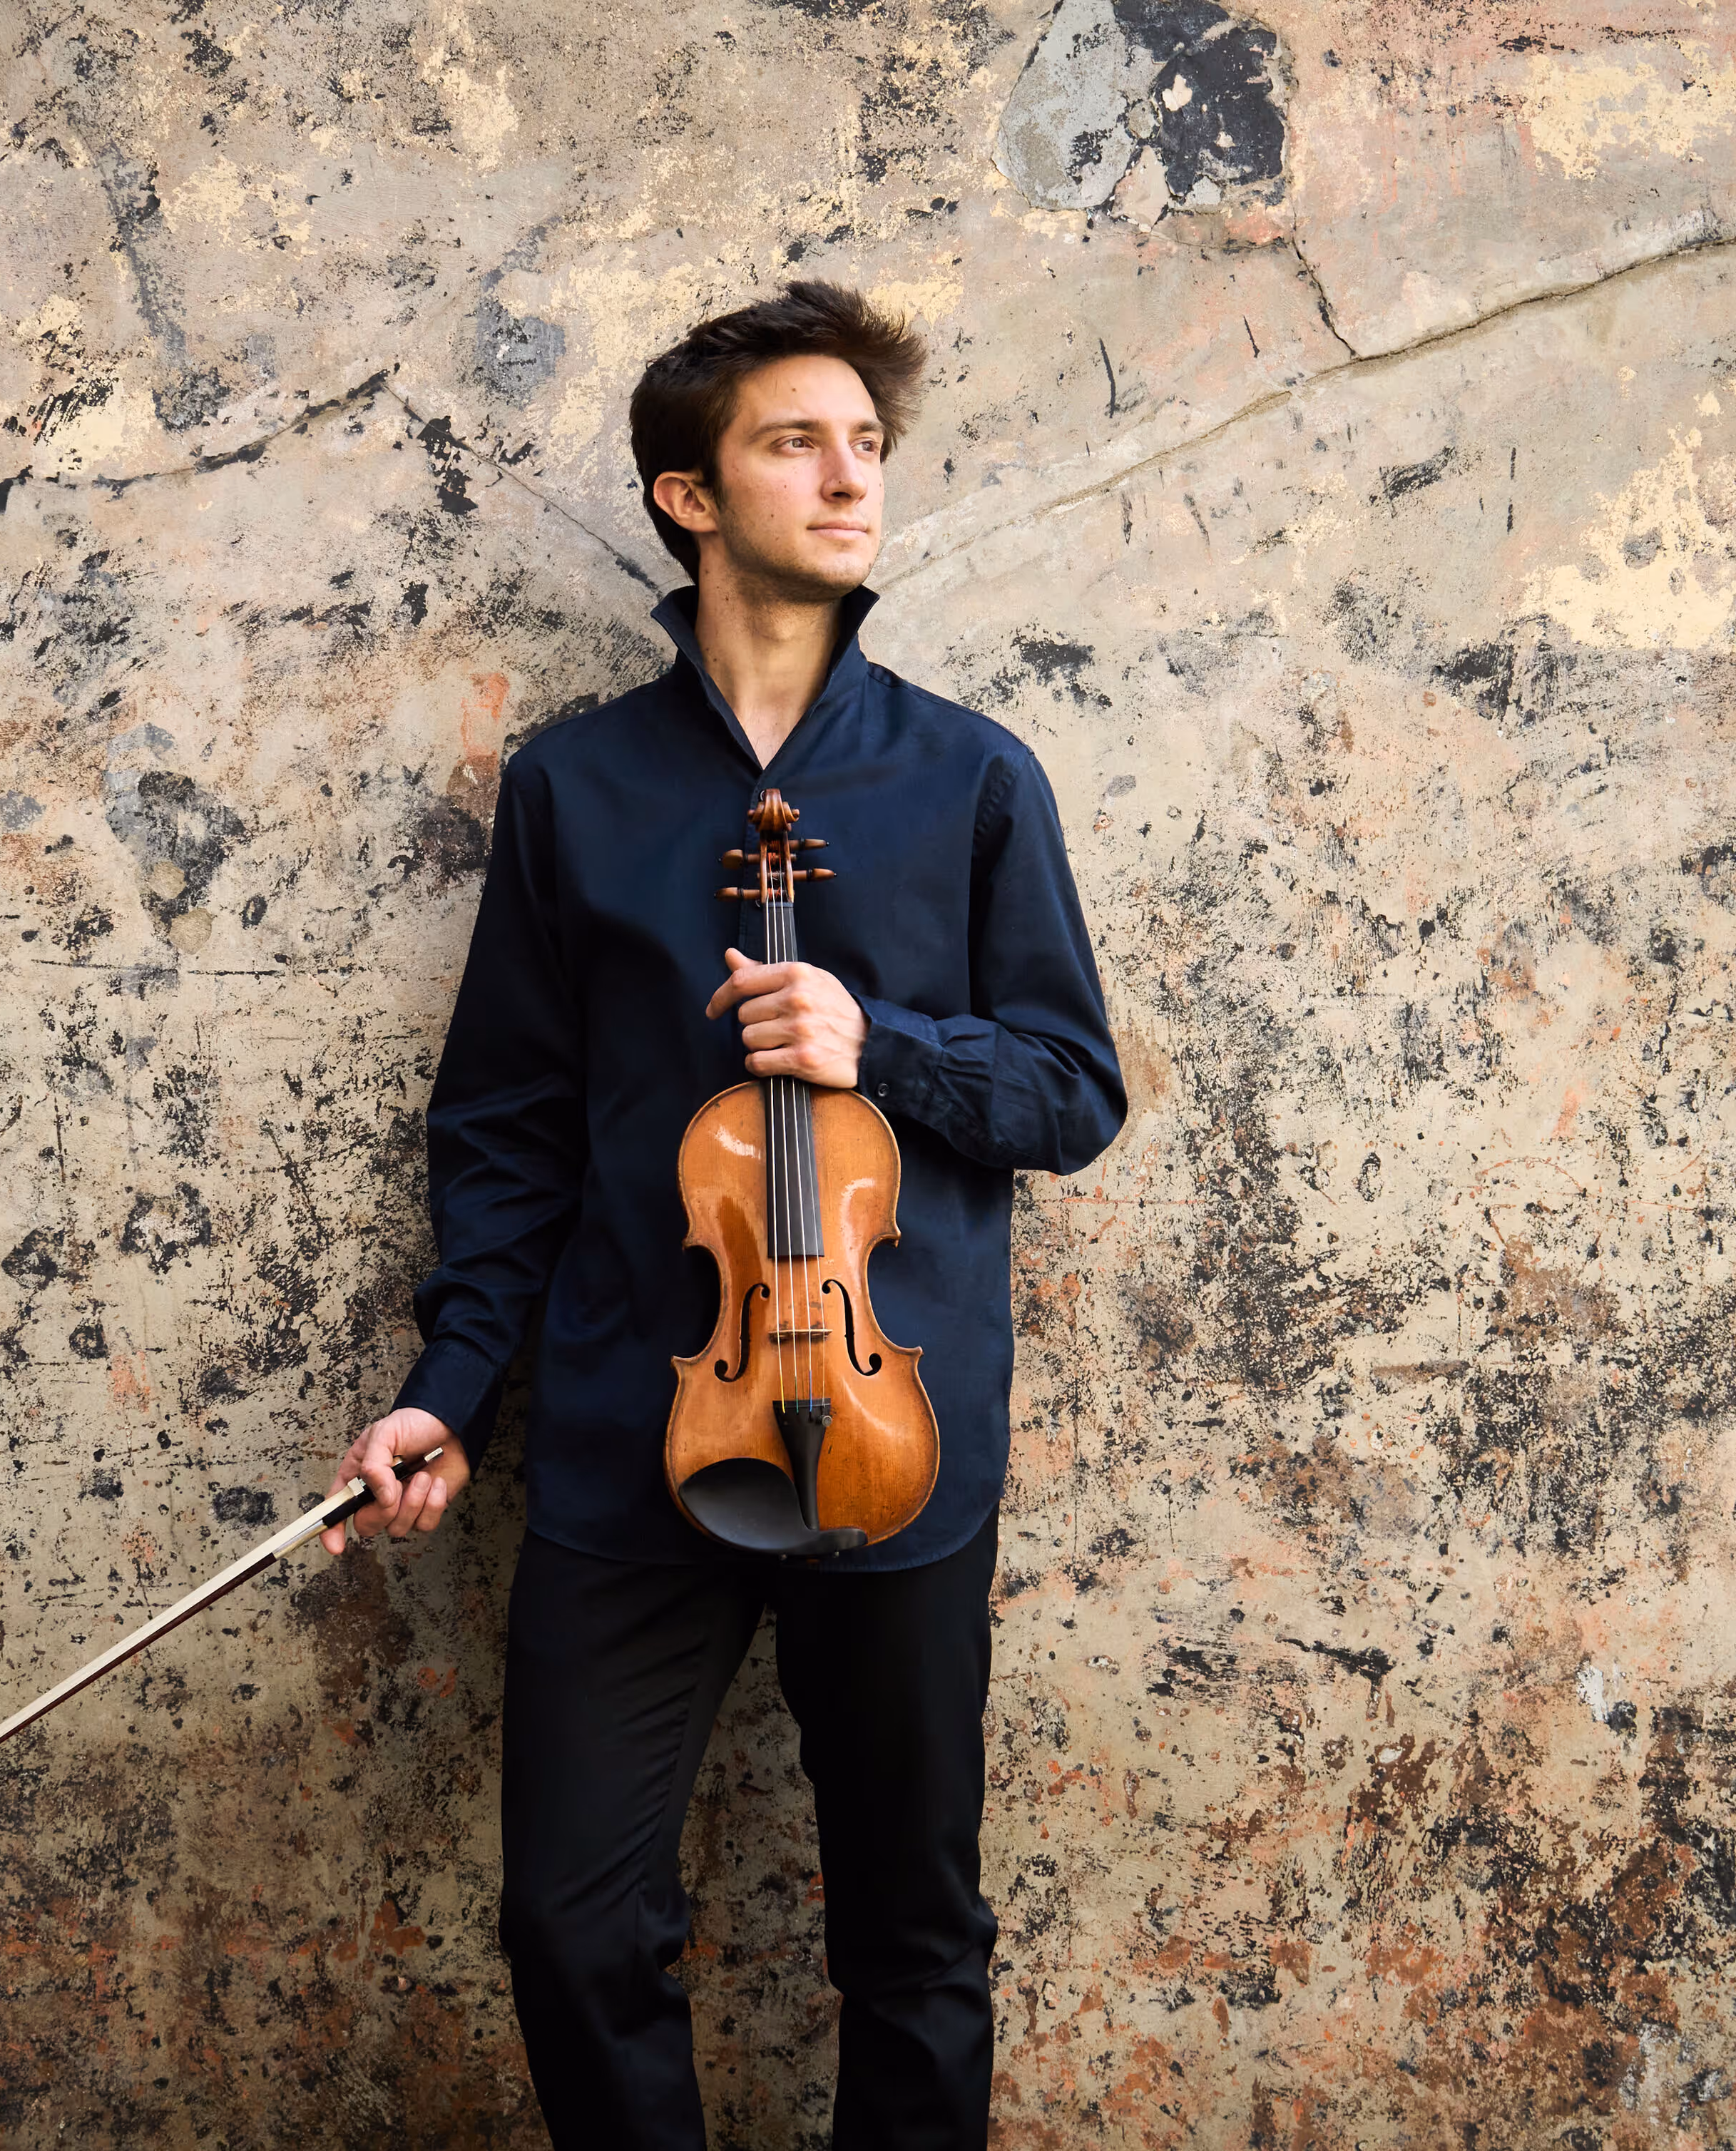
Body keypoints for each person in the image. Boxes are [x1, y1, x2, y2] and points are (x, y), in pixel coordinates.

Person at [325, 280, 1125, 2148]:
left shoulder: (968, 778)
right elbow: (507, 1130)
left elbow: (1071, 1096)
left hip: (892, 1432)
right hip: (630, 1440)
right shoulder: (580, 790)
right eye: (795, 442)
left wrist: (882, 1044)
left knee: (913, 1941)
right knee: (572, 1919)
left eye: (865, 444)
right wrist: (451, 1384)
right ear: (691, 499)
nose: (848, 477)